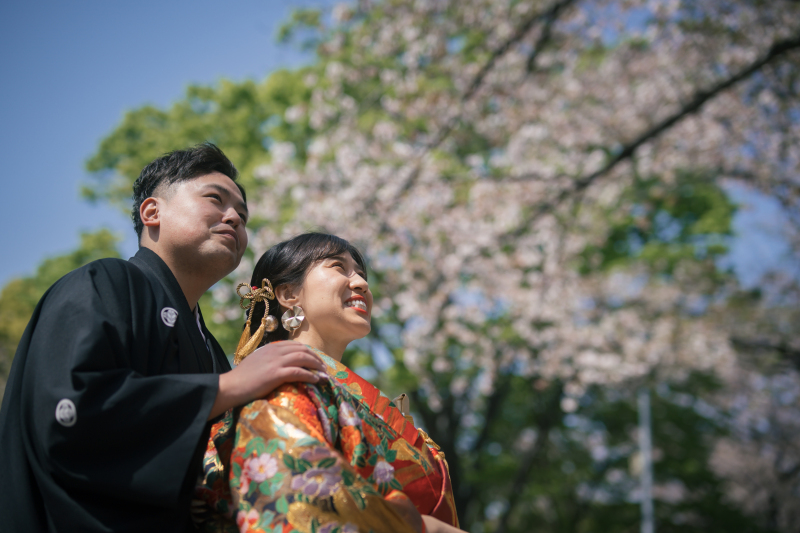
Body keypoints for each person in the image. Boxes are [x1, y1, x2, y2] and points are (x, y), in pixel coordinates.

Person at [0, 144, 325, 532]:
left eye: (242, 214)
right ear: (152, 212)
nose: (234, 218)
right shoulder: (105, 283)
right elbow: (70, 410)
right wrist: (225, 387)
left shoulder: (210, 350)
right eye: (215, 199)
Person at [195, 233, 464, 533]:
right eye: (338, 267)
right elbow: (297, 504)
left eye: (361, 274)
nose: (361, 283)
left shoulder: (353, 396)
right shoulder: (282, 384)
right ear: (288, 295)